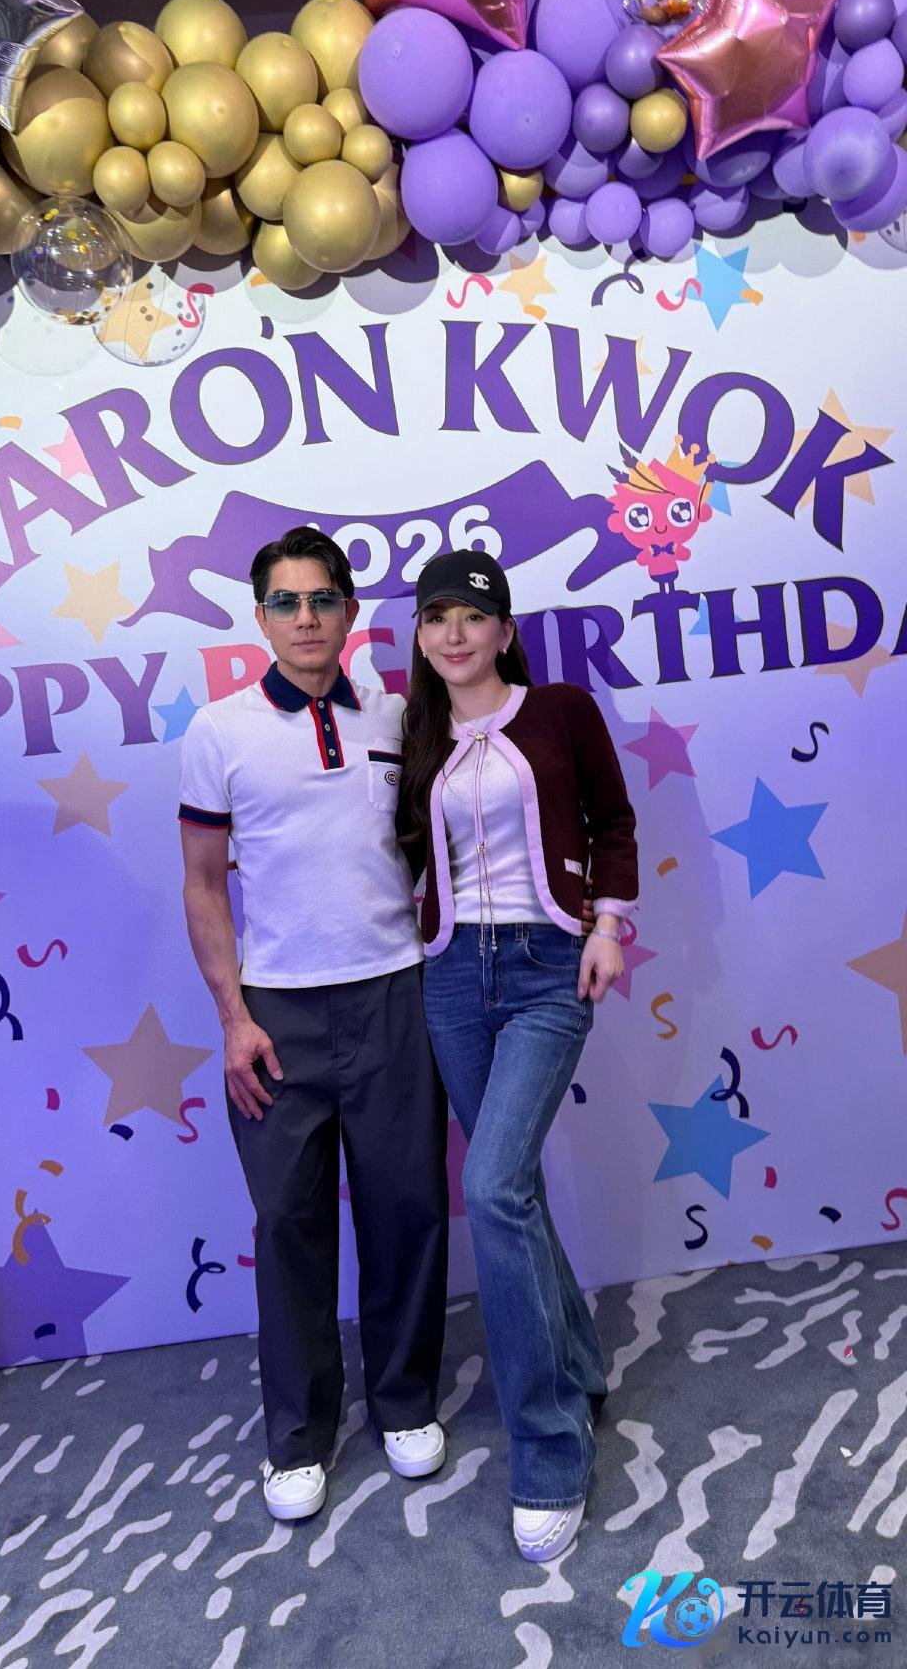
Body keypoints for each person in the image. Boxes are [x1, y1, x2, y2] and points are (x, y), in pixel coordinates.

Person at [178, 527, 448, 1523]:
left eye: (323, 599)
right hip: (277, 1013)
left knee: (407, 1209)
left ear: (349, 611)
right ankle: (297, 1436)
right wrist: (232, 1017)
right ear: (260, 617)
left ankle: (406, 1402)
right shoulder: (219, 731)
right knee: (288, 1223)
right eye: (286, 602)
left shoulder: (399, 715)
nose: (306, 618)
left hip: (394, 994)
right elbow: (204, 885)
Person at [398, 549, 639, 1563]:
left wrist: (607, 923)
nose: (453, 632)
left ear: (504, 630)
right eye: (435, 616)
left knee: (492, 1185)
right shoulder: (413, 737)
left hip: (547, 966)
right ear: (421, 637)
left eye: (472, 615)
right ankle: (577, 1365)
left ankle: (548, 1447)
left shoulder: (562, 711)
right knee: (516, 1191)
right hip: (452, 975)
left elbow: (612, 820)